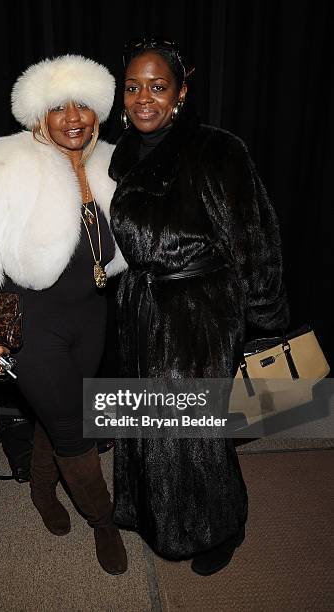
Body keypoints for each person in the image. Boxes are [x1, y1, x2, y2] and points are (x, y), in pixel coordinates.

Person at [108, 37, 289, 575]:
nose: (144, 99)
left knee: (197, 434)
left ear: (181, 92)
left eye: (158, 87)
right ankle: (160, 514)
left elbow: (256, 239)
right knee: (150, 424)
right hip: (142, 308)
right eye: (134, 87)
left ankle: (224, 525)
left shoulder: (217, 149)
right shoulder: (119, 154)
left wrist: (267, 322)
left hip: (199, 313)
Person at [0, 55, 128, 575]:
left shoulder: (112, 160)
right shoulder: (0, 162)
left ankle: (43, 488)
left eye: (84, 105)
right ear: (36, 116)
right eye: (58, 107)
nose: (73, 116)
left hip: (91, 314)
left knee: (65, 413)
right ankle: (104, 519)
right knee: (75, 426)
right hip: (32, 323)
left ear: (100, 110)